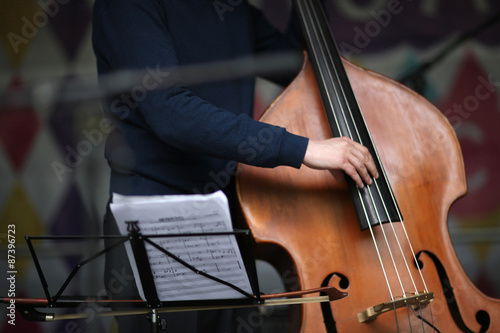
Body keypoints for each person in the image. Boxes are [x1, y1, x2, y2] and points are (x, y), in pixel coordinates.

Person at [91, 0, 378, 332]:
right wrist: (303, 149)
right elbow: (170, 113)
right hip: (155, 214)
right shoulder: (128, 6)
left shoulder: (232, 8)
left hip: (223, 212)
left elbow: (298, 65)